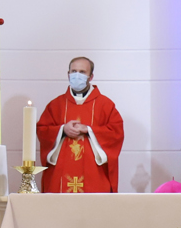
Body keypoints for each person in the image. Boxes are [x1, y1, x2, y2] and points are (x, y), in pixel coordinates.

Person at [36, 56, 125, 193]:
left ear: (91, 76)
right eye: (74, 71)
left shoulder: (105, 105)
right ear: (68, 74)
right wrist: (62, 130)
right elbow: (42, 130)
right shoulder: (56, 105)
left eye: (82, 72)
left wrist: (89, 130)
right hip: (61, 172)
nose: (77, 75)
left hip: (94, 173)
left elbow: (116, 133)